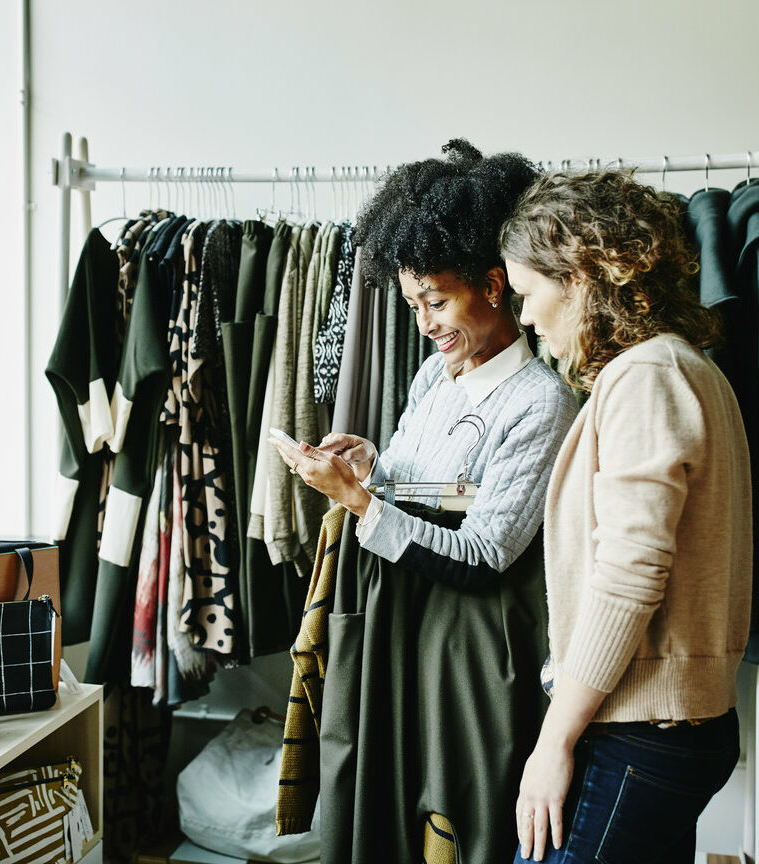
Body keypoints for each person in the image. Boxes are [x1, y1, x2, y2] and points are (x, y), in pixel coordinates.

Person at [271, 139, 579, 863]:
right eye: (413, 305)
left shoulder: (540, 402)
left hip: (469, 649)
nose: (425, 324)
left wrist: (364, 504)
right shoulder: (436, 377)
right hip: (399, 624)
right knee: (382, 808)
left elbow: (485, 552)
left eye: (436, 301)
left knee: (456, 821)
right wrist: (375, 468)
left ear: (496, 285)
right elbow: (445, 491)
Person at [500, 170, 752, 863]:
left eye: (528, 293)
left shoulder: (647, 376)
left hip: (639, 728)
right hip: (667, 728)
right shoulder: (686, 366)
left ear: (581, 274)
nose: (524, 318)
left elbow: (631, 571)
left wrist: (554, 742)